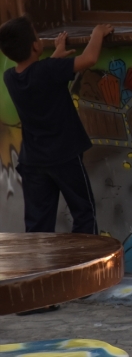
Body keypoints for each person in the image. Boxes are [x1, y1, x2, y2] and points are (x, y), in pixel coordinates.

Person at [0, 15, 113, 236]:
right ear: (35, 45)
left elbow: (37, 75)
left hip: (32, 162)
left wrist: (55, 58)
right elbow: (89, 58)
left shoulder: (10, 78)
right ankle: (83, 265)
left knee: (38, 224)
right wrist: (97, 33)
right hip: (64, 158)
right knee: (83, 213)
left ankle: (40, 269)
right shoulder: (50, 70)